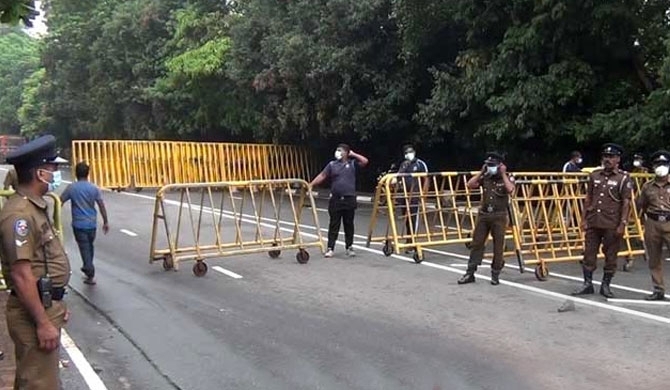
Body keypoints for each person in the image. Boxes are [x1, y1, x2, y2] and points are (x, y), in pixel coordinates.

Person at [0, 135, 70, 389]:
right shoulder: (19, 216)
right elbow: (21, 275)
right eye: (53, 169)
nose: (55, 175)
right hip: (33, 314)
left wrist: (57, 302)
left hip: (44, 305)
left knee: (36, 378)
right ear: (40, 173)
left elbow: (44, 263)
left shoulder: (34, 208)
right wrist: (42, 321)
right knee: (40, 383)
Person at [573, 143, 632, 298]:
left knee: (611, 255)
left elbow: (626, 203)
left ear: (618, 159)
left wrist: (623, 223)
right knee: (588, 253)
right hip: (594, 221)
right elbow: (589, 198)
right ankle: (587, 283)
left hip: (612, 223)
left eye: (611, 157)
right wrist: (584, 218)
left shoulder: (623, 178)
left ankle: (606, 285)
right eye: (605, 156)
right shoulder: (595, 175)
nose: (607, 159)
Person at [457, 152, 515, 286]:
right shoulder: (486, 177)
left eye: (492, 165)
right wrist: (481, 172)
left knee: (498, 246)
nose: (490, 168)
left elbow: (511, 189)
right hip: (484, 215)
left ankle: (495, 274)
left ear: (500, 166)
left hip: (499, 216)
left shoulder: (507, 178)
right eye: (488, 165)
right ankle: (470, 273)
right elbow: (470, 184)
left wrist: (503, 174)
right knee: (477, 244)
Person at [309, 144, 368, 258]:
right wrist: (311, 184)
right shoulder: (332, 165)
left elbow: (365, 161)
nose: (337, 152)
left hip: (349, 199)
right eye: (337, 150)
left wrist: (353, 154)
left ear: (346, 153)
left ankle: (349, 247)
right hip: (336, 199)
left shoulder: (352, 164)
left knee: (349, 224)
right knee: (334, 224)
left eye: (340, 150)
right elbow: (323, 175)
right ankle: (331, 248)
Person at [60, 162, 109, 285]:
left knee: (84, 248)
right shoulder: (94, 188)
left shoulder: (72, 188)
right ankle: (88, 270)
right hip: (92, 224)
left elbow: (59, 201)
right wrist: (105, 221)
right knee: (89, 246)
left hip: (79, 224)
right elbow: (101, 205)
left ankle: (89, 270)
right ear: (88, 173)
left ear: (76, 173)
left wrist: (54, 215)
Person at [635, 150, 670, 301]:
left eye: (663, 164)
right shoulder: (647, 187)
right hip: (653, 223)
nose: (660, 167)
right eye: (657, 164)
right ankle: (658, 289)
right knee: (654, 258)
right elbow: (640, 205)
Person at [396, 144, 429, 252]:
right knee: (406, 218)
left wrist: (423, 195)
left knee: (413, 218)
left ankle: (412, 241)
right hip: (404, 195)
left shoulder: (420, 164)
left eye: (410, 152)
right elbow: (398, 177)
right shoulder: (404, 164)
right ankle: (409, 239)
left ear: (414, 152)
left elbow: (426, 179)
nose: (408, 154)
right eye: (406, 153)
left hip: (414, 195)